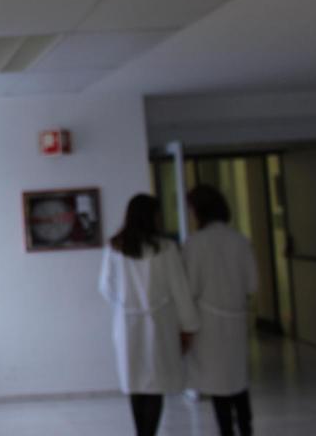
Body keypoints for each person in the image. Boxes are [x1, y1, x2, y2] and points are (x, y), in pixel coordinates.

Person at [100, 194, 200, 436]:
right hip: (160, 323)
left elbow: (105, 287)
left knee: (135, 382)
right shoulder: (165, 248)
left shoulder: (116, 246)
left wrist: (125, 302)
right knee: (156, 383)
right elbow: (180, 290)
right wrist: (188, 326)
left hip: (127, 324)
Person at [184, 185, 258, 436]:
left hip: (208, 323)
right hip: (235, 319)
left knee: (217, 383)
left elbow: (190, 288)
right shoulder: (239, 240)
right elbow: (252, 283)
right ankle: (246, 428)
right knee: (238, 378)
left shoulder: (194, 244)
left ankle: (226, 430)